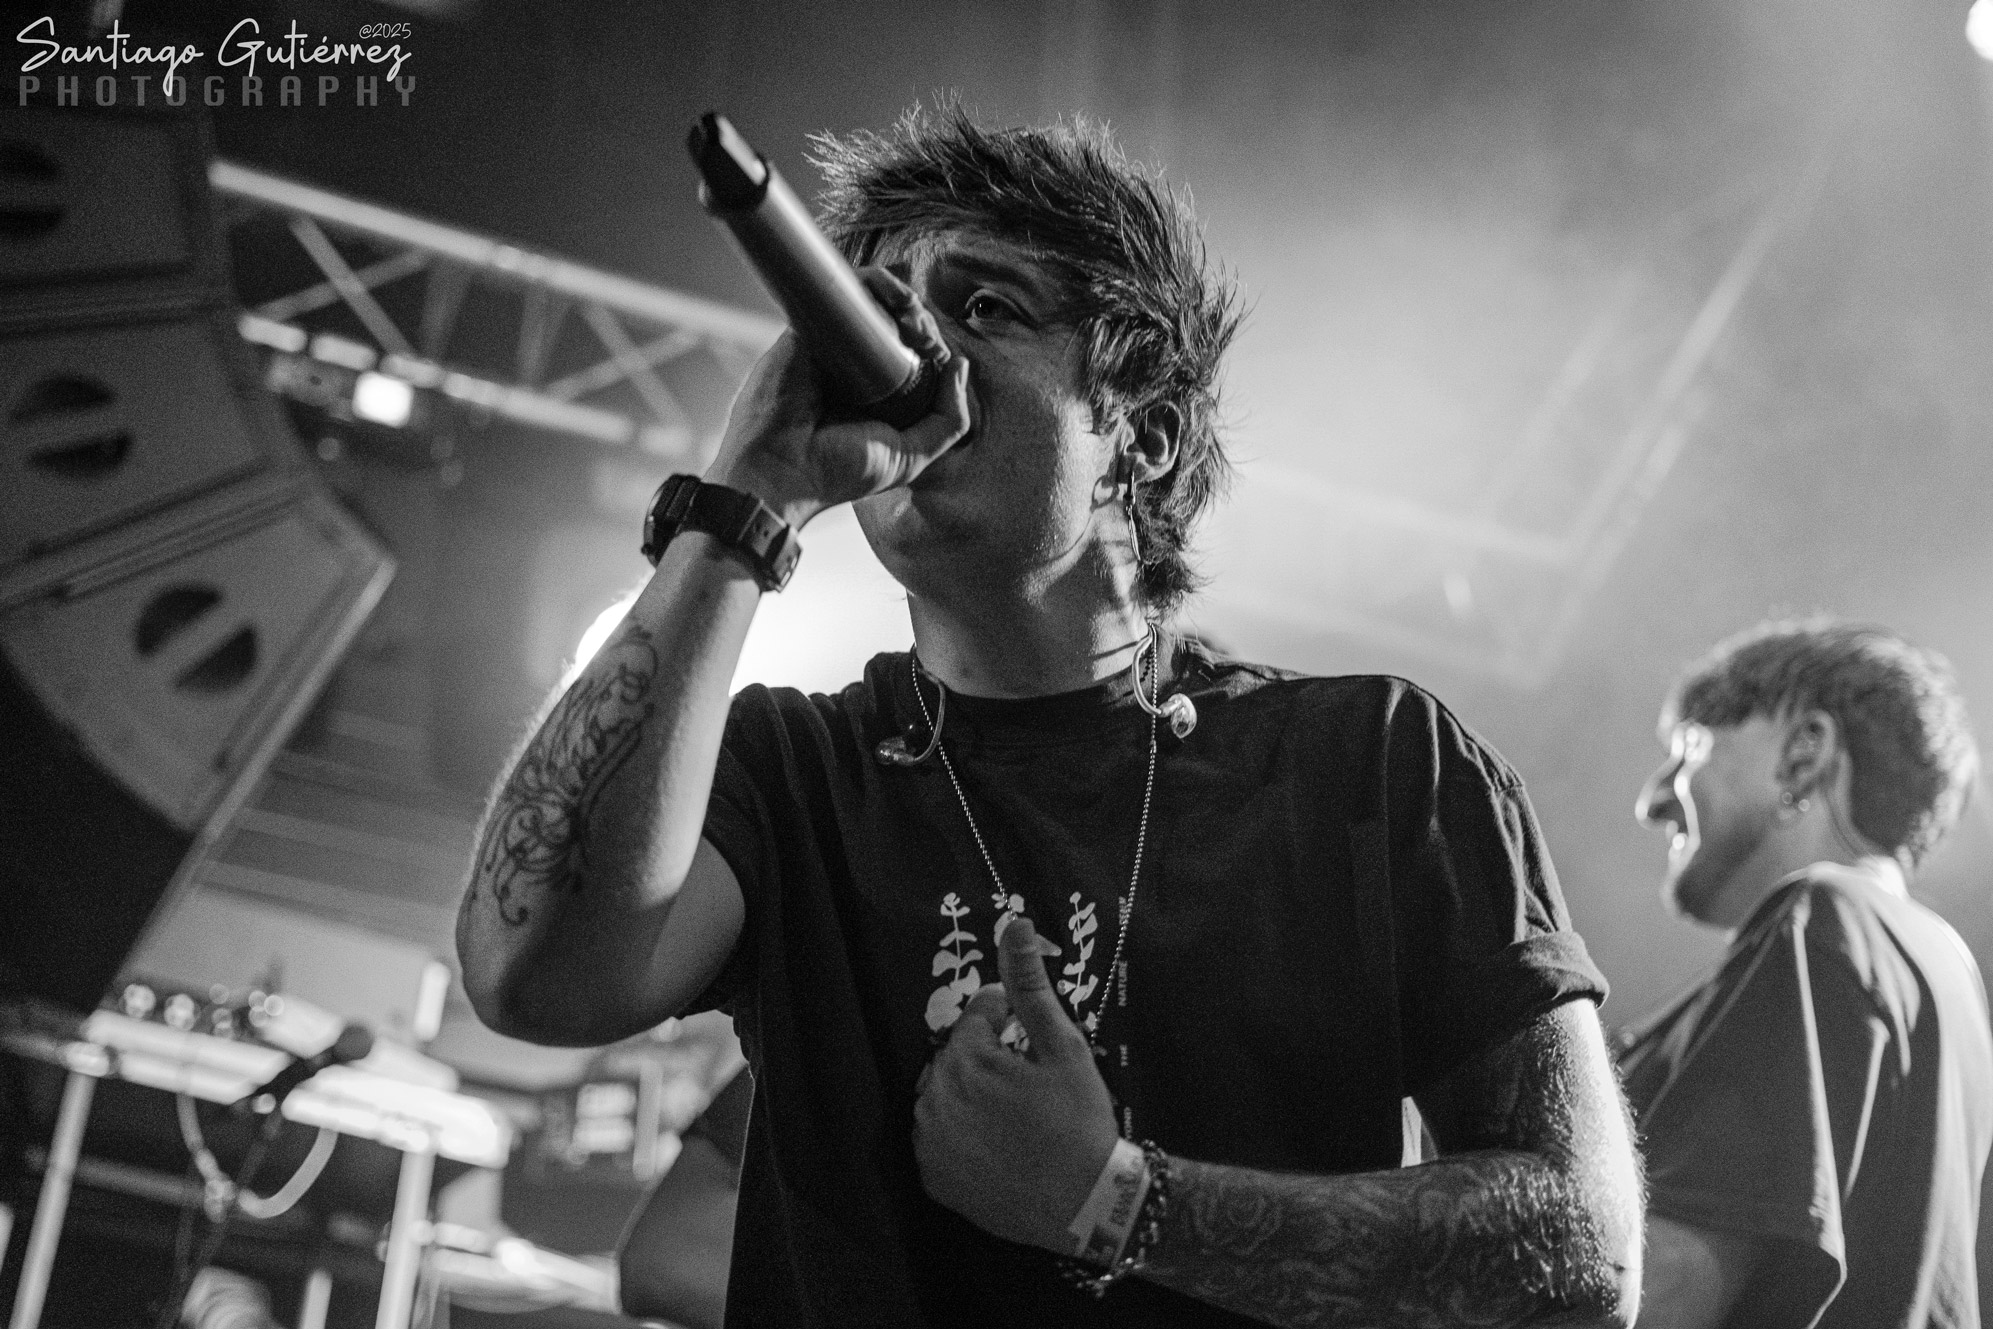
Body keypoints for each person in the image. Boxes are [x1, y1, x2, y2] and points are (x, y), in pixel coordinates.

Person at [456, 105, 1641, 1327]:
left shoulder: (1370, 766)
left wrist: (1114, 1201)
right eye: (881, 309)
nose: (908, 352)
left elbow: (1579, 1256)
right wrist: (742, 498)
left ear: (1142, 431)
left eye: (985, 308)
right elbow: (534, 977)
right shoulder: (790, 771)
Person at [1621, 619, 1992, 1329]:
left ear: (1802, 756)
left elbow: (1670, 1286)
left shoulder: (1827, 917)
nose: (1652, 800)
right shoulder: (1942, 966)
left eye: (1690, 748)